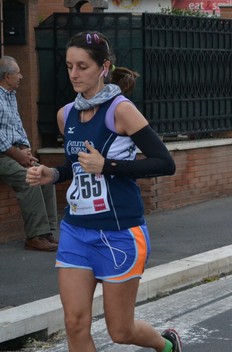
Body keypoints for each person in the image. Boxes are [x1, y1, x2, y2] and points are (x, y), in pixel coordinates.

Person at [25, 31, 181, 351]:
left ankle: (166, 345)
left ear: (103, 67)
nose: (74, 74)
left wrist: (108, 166)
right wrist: (52, 174)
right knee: (74, 324)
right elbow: (77, 166)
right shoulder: (65, 115)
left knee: (120, 332)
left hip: (118, 232)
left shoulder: (121, 110)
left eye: (82, 66)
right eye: (69, 66)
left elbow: (164, 163)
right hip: (76, 231)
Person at [0, 56, 58, 252]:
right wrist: (18, 155)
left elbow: (17, 125)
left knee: (45, 175)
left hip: (15, 151)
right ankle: (35, 236)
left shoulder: (10, 95)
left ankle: (47, 231)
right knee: (30, 179)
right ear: (7, 76)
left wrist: (25, 147)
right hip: (3, 155)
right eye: (18, 73)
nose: (22, 76)